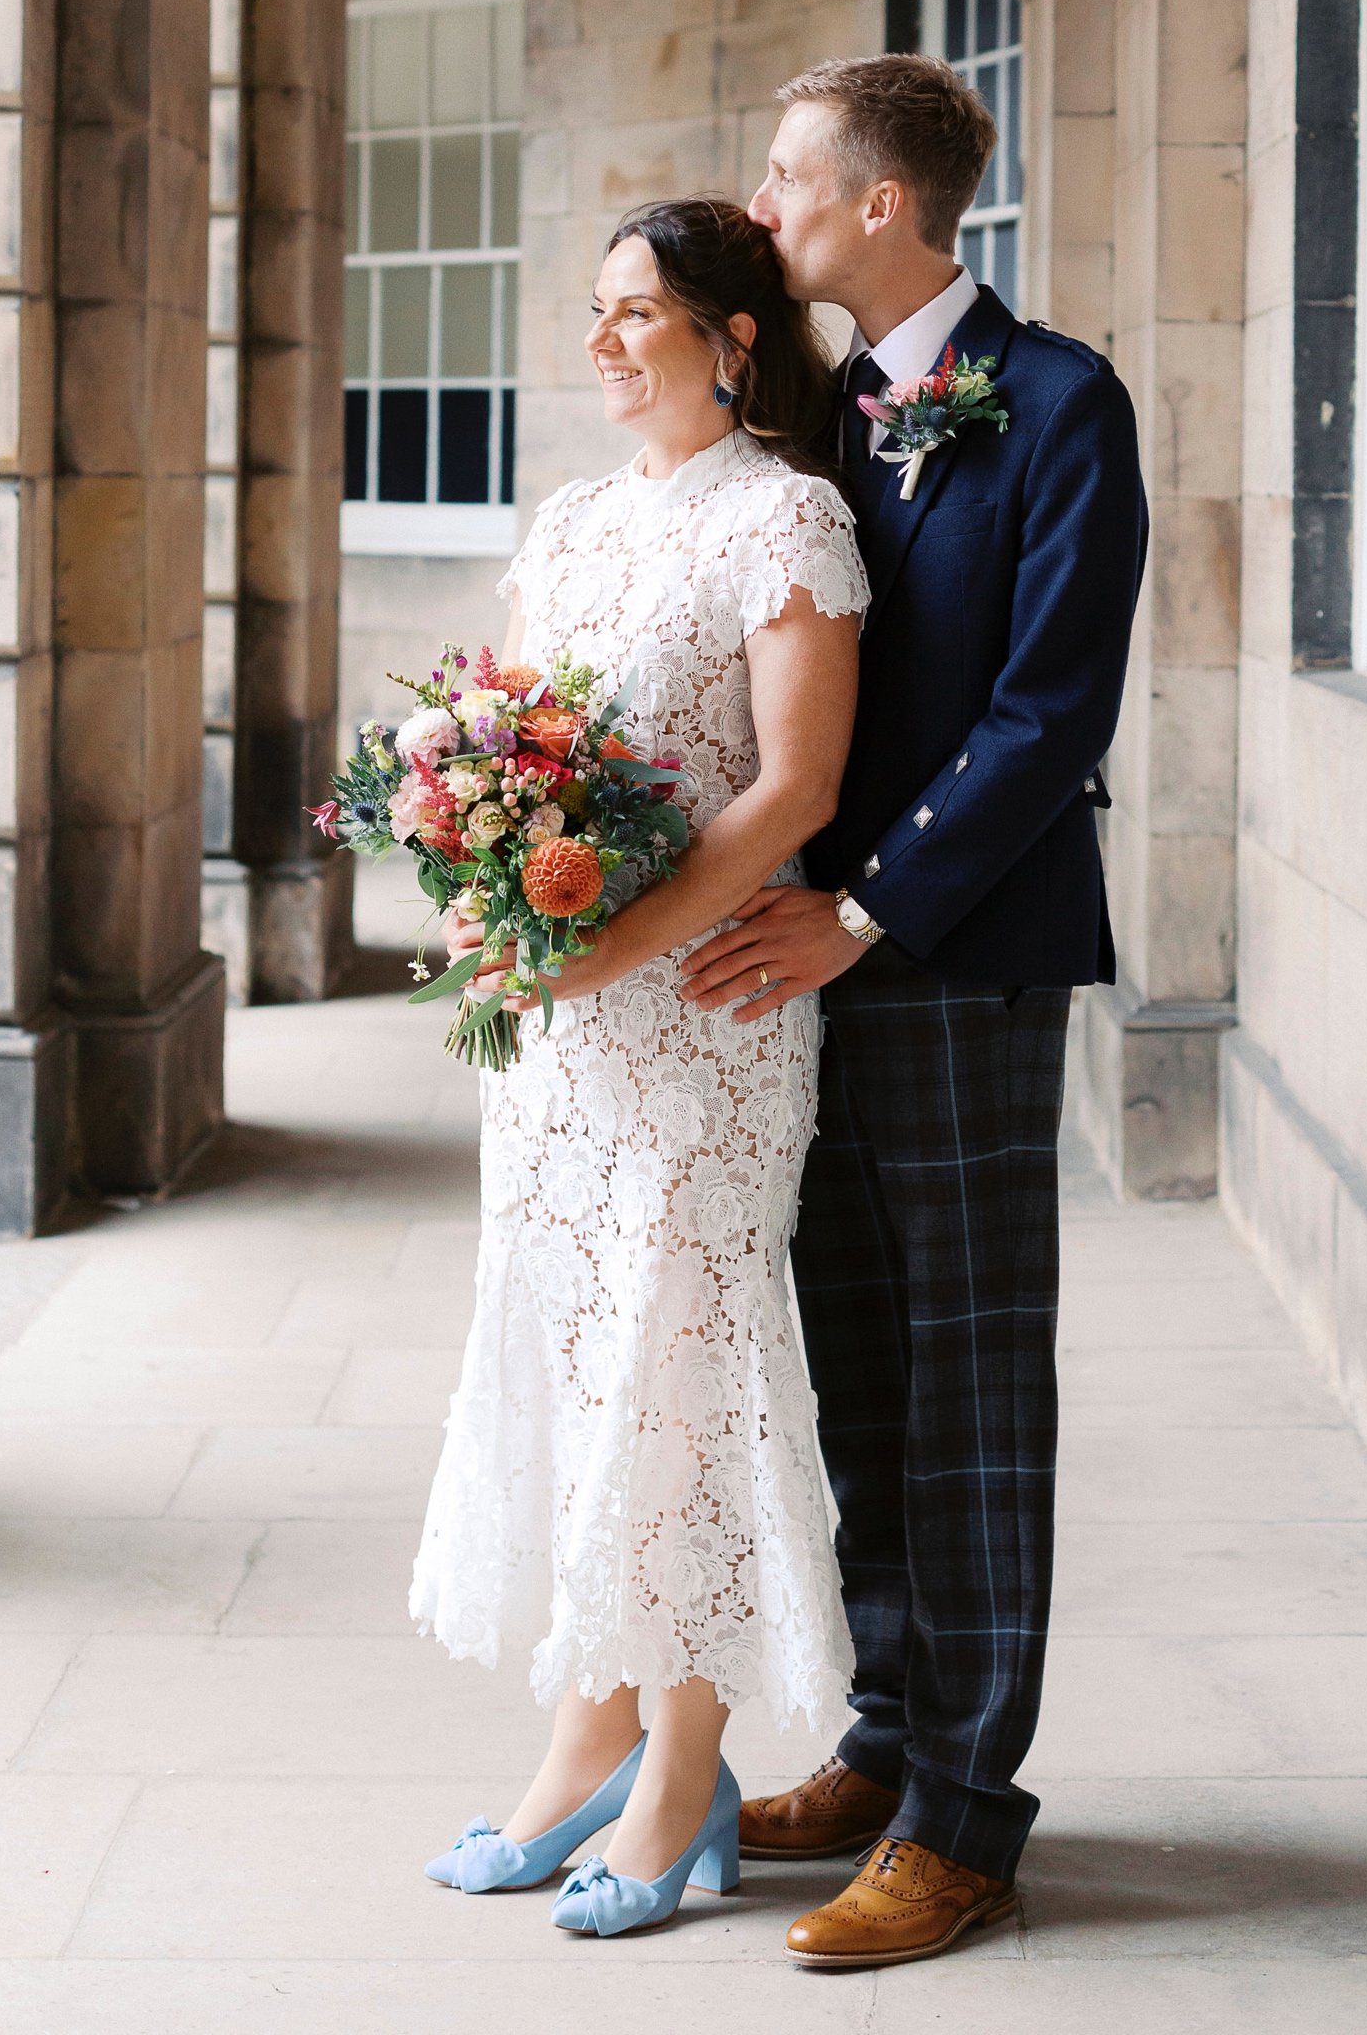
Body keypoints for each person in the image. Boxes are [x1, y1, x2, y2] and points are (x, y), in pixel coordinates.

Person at [681, 53, 1148, 1971]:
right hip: (807, 963)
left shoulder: (1059, 404)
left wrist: (865, 910)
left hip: (951, 953)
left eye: (793, 179)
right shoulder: (803, 419)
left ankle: (968, 1816)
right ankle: (883, 1741)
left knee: (967, 1378)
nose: (768, 203)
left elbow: (1053, 716)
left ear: (884, 204)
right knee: (855, 1358)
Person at [410, 196, 870, 1941]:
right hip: (559, 1041)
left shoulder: (790, 518)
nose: (604, 341)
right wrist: (484, 889)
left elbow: (793, 789)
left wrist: (622, 944)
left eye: (638, 312)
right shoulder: (573, 518)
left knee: (687, 1360)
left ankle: (686, 1774)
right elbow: (510, 742)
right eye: (598, 312)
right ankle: (587, 1728)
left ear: (732, 336)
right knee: (586, 1347)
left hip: (711, 1021)